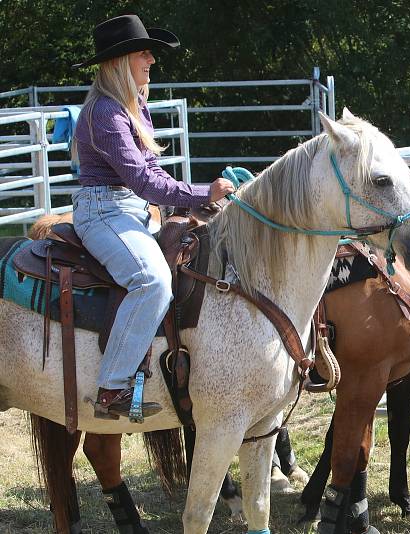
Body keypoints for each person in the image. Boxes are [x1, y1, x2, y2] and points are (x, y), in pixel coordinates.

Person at [71, 14, 235, 419]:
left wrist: (194, 201)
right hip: (104, 211)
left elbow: (151, 174)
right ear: (120, 62)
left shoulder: (134, 107)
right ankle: (112, 388)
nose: (151, 60)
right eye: (143, 53)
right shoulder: (105, 114)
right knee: (152, 281)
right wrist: (201, 192)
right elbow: (142, 179)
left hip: (132, 209)